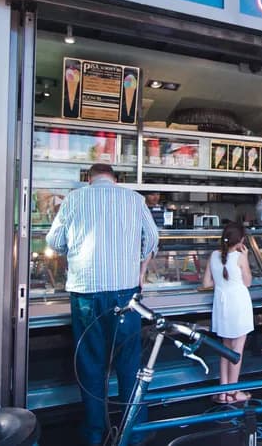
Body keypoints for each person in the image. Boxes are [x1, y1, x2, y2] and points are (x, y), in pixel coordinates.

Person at [45, 163, 159, 446]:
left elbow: (54, 242)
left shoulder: (74, 199)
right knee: (129, 362)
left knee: (91, 362)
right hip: (126, 293)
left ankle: (96, 433)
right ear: (115, 178)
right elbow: (154, 239)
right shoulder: (134, 199)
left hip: (86, 292)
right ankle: (134, 431)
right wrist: (139, 270)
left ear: (88, 178)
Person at [202, 222, 254, 403]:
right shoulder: (239, 257)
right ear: (240, 240)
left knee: (224, 349)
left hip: (221, 305)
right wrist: (245, 257)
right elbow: (247, 282)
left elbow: (206, 284)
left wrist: (222, 282)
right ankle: (234, 392)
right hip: (238, 304)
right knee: (236, 351)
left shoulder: (214, 255)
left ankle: (223, 392)